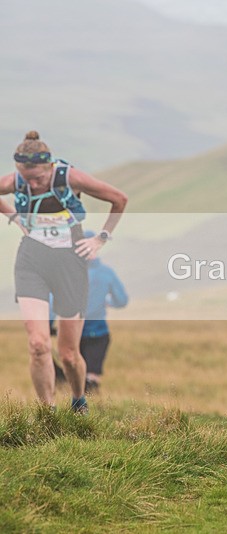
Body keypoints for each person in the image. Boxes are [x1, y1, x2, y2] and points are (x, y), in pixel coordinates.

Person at [0, 131, 127, 412]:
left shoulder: (71, 178)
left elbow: (119, 199)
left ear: (50, 167)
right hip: (32, 261)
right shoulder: (15, 181)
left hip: (70, 262)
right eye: (27, 179)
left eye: (39, 179)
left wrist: (101, 238)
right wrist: (13, 216)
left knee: (69, 355)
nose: (33, 184)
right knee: (37, 344)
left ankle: (78, 399)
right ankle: (48, 413)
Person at [79, 230, 129, 393]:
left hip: (73, 331)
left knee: (75, 373)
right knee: (91, 375)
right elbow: (122, 300)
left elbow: (53, 301)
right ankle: (92, 412)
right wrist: (107, 302)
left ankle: (77, 410)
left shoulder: (70, 272)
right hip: (98, 332)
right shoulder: (106, 273)